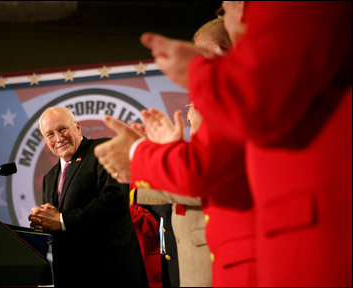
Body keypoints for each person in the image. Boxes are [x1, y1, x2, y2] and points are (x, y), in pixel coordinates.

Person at [97, 1, 352, 286]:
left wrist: (138, 153)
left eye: (224, 7)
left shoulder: (235, 95)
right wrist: (166, 150)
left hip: (299, 247)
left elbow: (202, 167)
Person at [95, 13, 256, 287]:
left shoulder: (241, 103)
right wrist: (166, 150)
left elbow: (203, 176)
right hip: (201, 255)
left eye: (201, 56)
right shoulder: (221, 103)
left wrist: (141, 155)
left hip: (225, 257)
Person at [28, 107, 148, 287]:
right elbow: (57, 226)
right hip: (70, 275)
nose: (58, 139)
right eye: (50, 135)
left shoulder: (102, 151)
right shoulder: (50, 177)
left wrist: (61, 220)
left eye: (62, 129)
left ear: (77, 127)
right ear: (46, 141)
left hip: (112, 274)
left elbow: (114, 201)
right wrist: (43, 222)